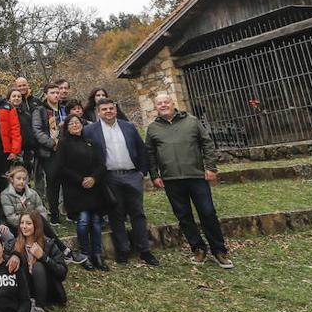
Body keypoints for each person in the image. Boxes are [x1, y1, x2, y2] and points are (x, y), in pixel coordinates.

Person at [146, 93, 233, 268]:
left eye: (166, 102)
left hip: (196, 177)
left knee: (207, 213)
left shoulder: (191, 121)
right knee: (184, 216)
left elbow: (207, 144)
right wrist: (154, 175)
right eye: (159, 103)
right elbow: (150, 153)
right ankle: (198, 249)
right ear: (156, 107)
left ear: (173, 103)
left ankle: (219, 251)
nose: (163, 105)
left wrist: (211, 167)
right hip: (171, 179)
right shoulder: (153, 128)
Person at [83, 99, 158, 267]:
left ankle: (144, 250)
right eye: (104, 109)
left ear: (116, 110)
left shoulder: (128, 127)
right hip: (109, 177)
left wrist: (142, 172)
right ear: (98, 112)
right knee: (116, 214)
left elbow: (141, 149)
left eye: (111, 108)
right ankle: (123, 250)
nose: (108, 111)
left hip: (132, 175)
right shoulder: (90, 131)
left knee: (137, 213)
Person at [56, 115, 110, 271]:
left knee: (96, 222)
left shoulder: (91, 142)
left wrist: (93, 178)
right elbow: (61, 168)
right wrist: (81, 180)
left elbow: (101, 164)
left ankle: (97, 255)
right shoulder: (63, 144)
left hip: (94, 188)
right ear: (66, 127)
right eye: (71, 123)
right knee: (84, 220)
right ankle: (85, 254)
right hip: (75, 189)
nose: (74, 125)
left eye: (77, 122)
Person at [0, 164, 84, 264]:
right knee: (40, 221)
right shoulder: (6, 195)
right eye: (18, 178)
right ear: (12, 179)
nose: (22, 181)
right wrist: (30, 221)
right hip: (18, 226)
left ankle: (60, 253)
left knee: (41, 221)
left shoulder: (32, 193)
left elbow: (41, 209)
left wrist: (36, 222)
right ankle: (65, 250)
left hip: (36, 224)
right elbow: (11, 218)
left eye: (24, 179)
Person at [13, 210, 66, 312]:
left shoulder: (48, 244)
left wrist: (43, 257)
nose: (24, 226)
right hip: (26, 291)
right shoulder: (15, 244)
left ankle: (39, 311)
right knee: (19, 262)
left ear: (36, 225)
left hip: (47, 289)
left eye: (28, 223)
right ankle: (28, 306)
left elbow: (62, 273)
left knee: (37, 267)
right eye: (22, 223)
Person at [31, 83, 64, 221]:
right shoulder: (40, 110)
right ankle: (54, 214)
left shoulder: (63, 110)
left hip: (66, 150)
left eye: (57, 92)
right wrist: (52, 144)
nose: (56, 95)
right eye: (52, 92)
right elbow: (37, 130)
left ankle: (69, 211)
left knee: (67, 181)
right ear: (45, 95)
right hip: (50, 151)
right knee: (52, 182)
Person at [8, 86, 37, 176]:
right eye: (14, 96)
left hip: (27, 151)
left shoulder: (26, 114)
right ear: (9, 98)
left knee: (26, 178)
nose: (16, 98)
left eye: (19, 96)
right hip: (12, 152)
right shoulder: (5, 113)